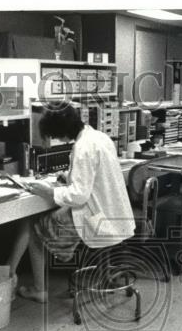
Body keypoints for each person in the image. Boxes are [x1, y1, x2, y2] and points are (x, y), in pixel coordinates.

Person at [7, 102, 134, 303]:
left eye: (56, 135)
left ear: (62, 131)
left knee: (32, 227)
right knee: (42, 220)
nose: (58, 140)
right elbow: (97, 177)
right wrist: (70, 177)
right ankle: (11, 273)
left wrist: (49, 191)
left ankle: (38, 289)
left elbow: (78, 197)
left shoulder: (82, 147)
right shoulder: (99, 137)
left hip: (95, 219)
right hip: (115, 215)